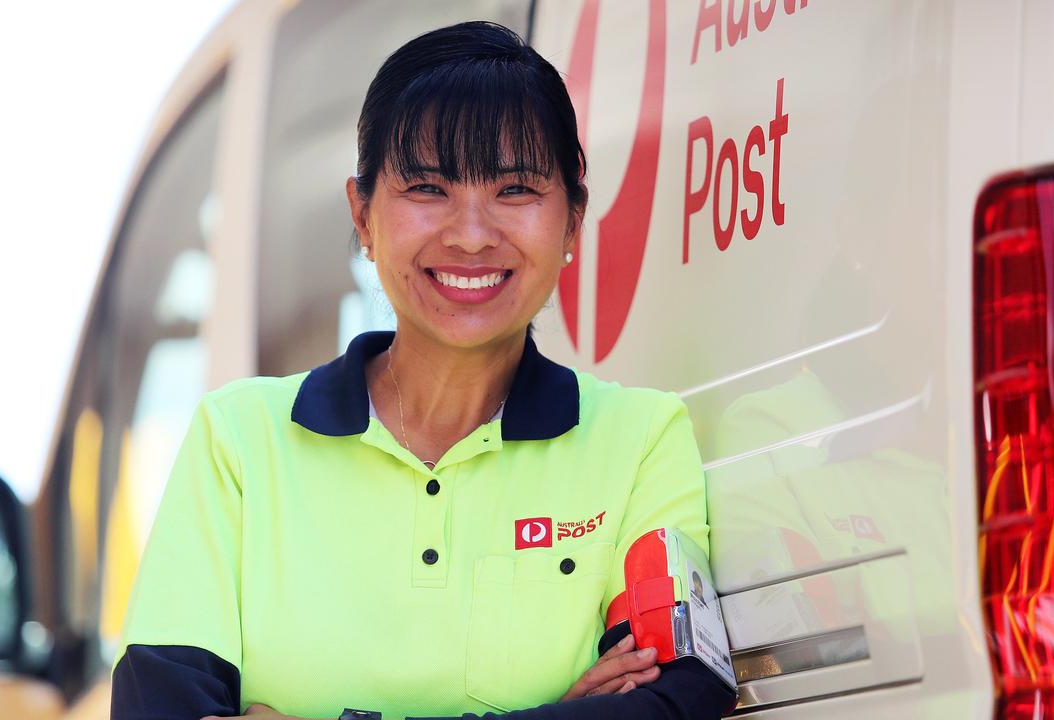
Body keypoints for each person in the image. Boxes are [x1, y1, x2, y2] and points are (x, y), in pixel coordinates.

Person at [109, 20, 735, 720]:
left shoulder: (643, 441)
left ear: (573, 220)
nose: (471, 233)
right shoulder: (237, 443)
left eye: (517, 189)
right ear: (363, 214)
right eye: (428, 188)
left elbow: (679, 698)